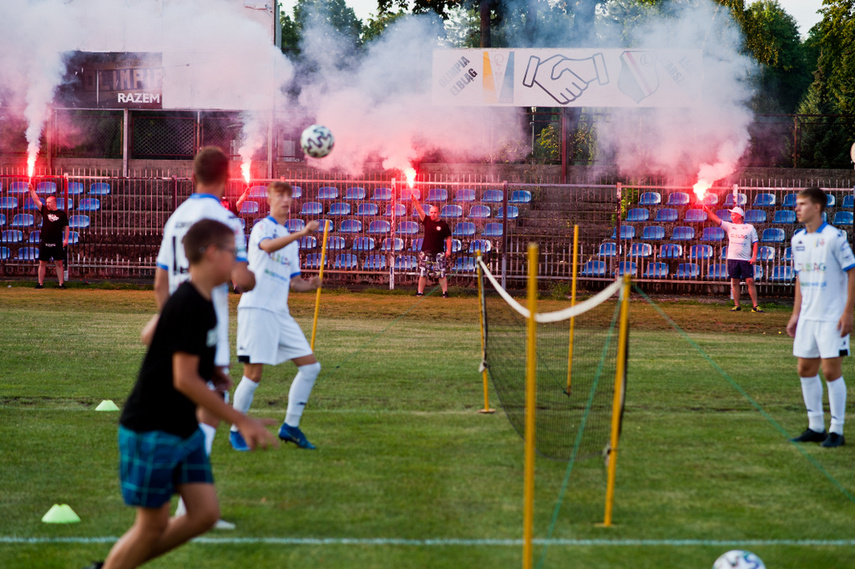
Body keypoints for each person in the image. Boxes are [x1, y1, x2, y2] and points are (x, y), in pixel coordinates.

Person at [84, 220, 277, 569]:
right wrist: (241, 420)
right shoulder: (189, 303)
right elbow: (183, 380)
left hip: (181, 427)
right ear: (212, 253)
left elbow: (167, 345)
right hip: (153, 427)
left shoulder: (202, 301)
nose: (238, 260)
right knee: (152, 525)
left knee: (203, 515)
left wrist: (211, 370)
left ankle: (117, 566)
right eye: (233, 252)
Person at [153, 146, 255, 529]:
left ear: (192, 174)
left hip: (178, 321)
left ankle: (185, 505)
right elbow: (241, 279)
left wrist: (169, 326)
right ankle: (189, 507)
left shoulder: (177, 216)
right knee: (210, 406)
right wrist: (255, 276)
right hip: (209, 325)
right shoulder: (225, 220)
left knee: (190, 409)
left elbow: (161, 281)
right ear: (227, 176)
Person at [231, 181, 322, 451]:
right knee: (253, 374)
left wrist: (311, 284)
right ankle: (236, 430)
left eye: (288, 196)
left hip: (280, 313)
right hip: (256, 309)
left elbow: (294, 283)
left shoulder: (290, 241)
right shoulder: (263, 227)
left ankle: (290, 427)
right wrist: (302, 233)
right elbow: (268, 247)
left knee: (310, 367)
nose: (284, 200)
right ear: (269, 199)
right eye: (279, 195)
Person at [787, 187, 855, 449]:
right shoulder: (797, 240)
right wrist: (795, 314)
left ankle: (836, 430)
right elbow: (799, 278)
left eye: (802, 203)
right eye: (797, 204)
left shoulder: (835, 237)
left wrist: (847, 312)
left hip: (831, 318)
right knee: (805, 369)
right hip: (808, 317)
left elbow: (851, 273)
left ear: (817, 207)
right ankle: (815, 426)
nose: (797, 208)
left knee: (830, 372)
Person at [703, 204, 763, 312]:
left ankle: (755, 306)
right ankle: (737, 305)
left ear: (739, 215)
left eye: (733, 215)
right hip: (733, 259)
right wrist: (708, 211)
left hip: (745, 259)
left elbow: (755, 242)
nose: (731, 217)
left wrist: (754, 256)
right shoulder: (730, 226)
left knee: (750, 281)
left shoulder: (749, 228)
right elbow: (716, 219)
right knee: (735, 282)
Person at [28, 185, 69, 289]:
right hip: (45, 241)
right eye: (46, 202)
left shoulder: (62, 214)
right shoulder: (45, 210)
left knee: (58, 262)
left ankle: (61, 284)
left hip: (57, 241)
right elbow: (36, 200)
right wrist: (32, 190)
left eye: (49, 202)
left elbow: (66, 228)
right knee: (42, 262)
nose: (47, 204)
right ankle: (40, 283)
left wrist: (66, 239)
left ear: (54, 203)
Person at [412, 191, 452, 298]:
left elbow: (448, 237)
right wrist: (415, 201)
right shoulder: (427, 221)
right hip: (426, 252)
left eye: (435, 212)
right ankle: (420, 292)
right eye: (431, 212)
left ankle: (445, 293)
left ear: (439, 213)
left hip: (439, 253)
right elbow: (420, 210)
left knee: (441, 274)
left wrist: (448, 250)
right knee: (423, 273)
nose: (432, 214)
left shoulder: (443, 225)